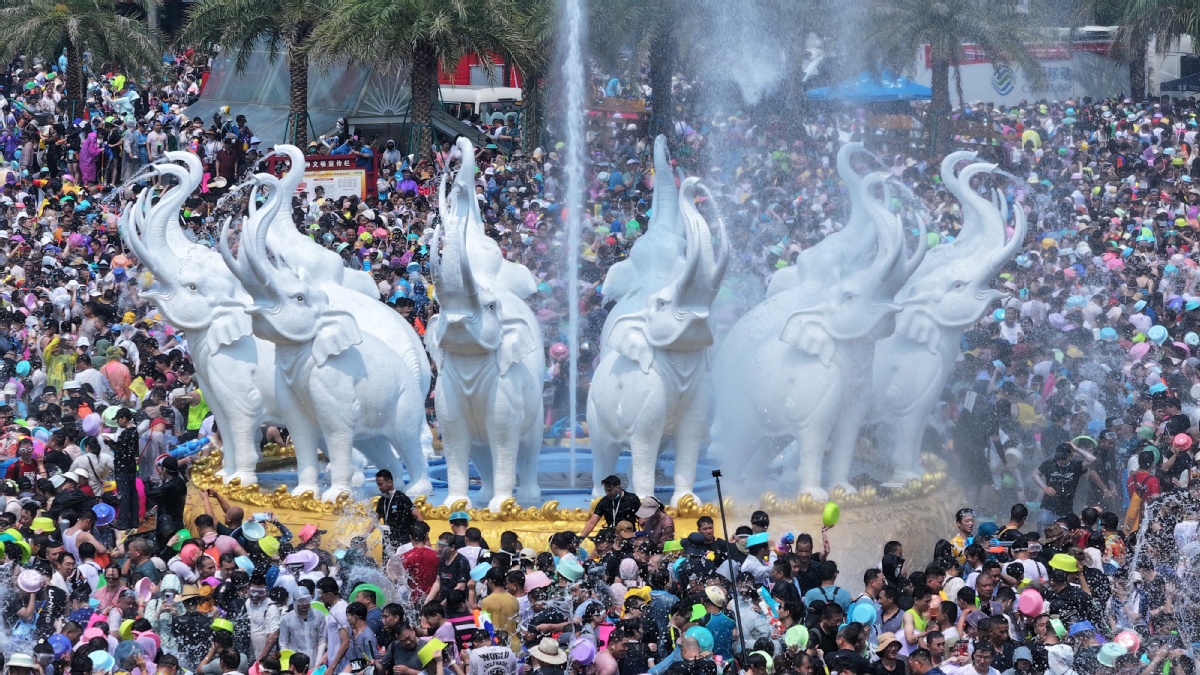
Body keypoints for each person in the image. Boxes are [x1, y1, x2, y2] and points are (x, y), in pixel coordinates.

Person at [1033, 442, 1096, 529]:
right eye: (1059, 458)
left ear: (1071, 456)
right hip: (1048, 508)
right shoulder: (1049, 463)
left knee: (1067, 532)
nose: (1061, 461)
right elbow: (1035, 474)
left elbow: (1092, 459)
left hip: (1066, 510)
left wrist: (1075, 448)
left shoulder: (1076, 466)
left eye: (1064, 458)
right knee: (1043, 523)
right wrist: (1044, 487)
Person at [374, 469, 422, 555]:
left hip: (403, 540)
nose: (379, 487)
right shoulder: (382, 500)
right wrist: (365, 535)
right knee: (387, 562)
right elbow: (375, 519)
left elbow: (418, 516)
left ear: (390, 482)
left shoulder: (402, 498)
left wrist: (420, 535)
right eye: (378, 484)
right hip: (387, 540)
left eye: (381, 484)